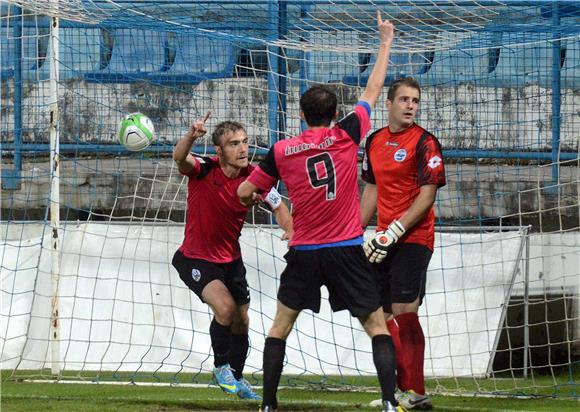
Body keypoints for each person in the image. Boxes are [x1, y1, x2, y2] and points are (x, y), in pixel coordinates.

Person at [238, 12, 402, 412]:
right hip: (347, 247)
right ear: (334, 114)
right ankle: (387, 403)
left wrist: (260, 197)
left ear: (300, 115)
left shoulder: (281, 151)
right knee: (377, 325)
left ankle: (269, 405)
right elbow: (375, 88)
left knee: (280, 326)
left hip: (306, 251)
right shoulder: (348, 133)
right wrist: (384, 42)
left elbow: (245, 191)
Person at [171, 112, 293, 401]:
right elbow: (179, 158)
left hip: (231, 261)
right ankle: (220, 367)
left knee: (241, 321)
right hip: (195, 258)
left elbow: (279, 206)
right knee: (224, 309)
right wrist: (191, 135)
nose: (242, 149)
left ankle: (237, 378)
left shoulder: (255, 178)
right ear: (219, 150)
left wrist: (290, 230)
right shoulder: (203, 170)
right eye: (234, 143)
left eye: (245, 142)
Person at [360, 77, 446, 410]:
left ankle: (417, 391)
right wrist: (354, 232)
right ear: (390, 103)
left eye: (415, 101)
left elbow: (427, 196)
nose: (411, 105)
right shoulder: (374, 141)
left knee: (404, 311)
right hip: (383, 239)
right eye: (405, 100)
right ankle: (397, 391)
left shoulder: (426, 142)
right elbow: (372, 190)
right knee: (379, 316)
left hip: (413, 237)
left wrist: (394, 230)